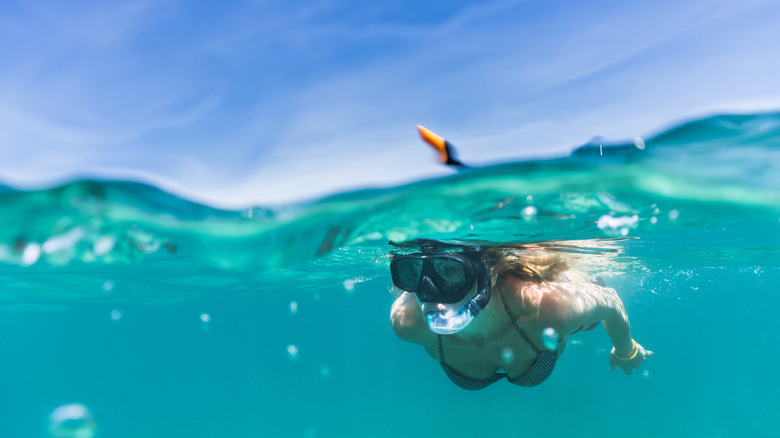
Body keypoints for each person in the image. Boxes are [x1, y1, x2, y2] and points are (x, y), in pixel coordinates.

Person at [389, 239, 652, 390]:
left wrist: (625, 350)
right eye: (411, 273)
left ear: (489, 274)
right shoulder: (407, 321)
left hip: (551, 294)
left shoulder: (547, 307)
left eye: (451, 271)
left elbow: (611, 301)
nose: (429, 292)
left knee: (585, 315)